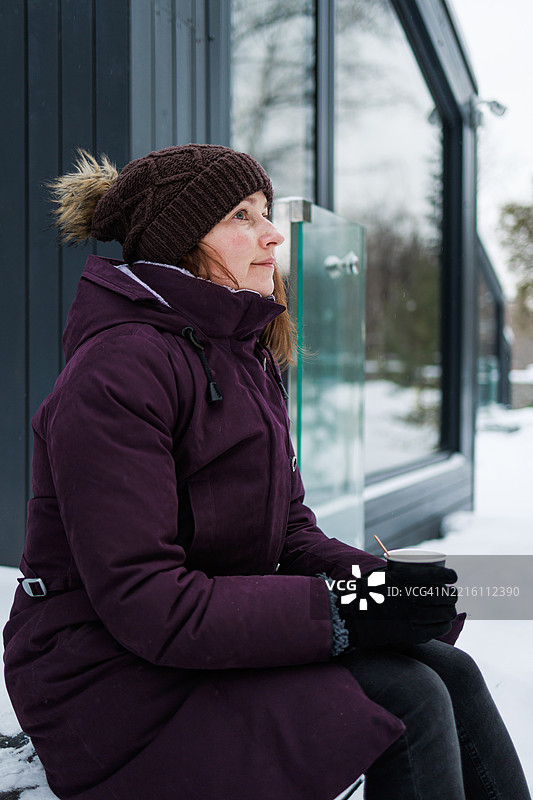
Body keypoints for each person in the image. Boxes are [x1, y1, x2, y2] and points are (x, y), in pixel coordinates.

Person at [2, 144, 529, 800]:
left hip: (192, 646)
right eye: (241, 216)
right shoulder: (119, 371)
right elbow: (148, 602)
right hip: (102, 679)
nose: (273, 233)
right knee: (406, 699)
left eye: (266, 212)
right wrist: (344, 612)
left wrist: (392, 591)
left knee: (447, 668)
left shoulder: (241, 356)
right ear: (182, 242)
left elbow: (289, 536)